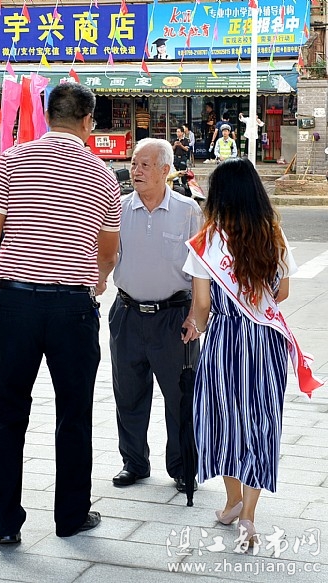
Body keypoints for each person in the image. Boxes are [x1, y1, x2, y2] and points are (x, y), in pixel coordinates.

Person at [0, 82, 122, 543]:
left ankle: (5, 525)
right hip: (72, 309)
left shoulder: (11, 161)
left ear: (47, 116)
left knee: (8, 412)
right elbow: (108, 251)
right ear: (88, 121)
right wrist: (96, 279)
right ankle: (70, 517)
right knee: (74, 414)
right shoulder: (103, 174)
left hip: (15, 305)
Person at [182, 158, 321, 551]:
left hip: (225, 341)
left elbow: (202, 305)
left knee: (223, 421)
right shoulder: (273, 234)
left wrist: (197, 326)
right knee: (261, 423)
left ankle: (231, 503)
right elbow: (283, 293)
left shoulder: (207, 241)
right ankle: (248, 515)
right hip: (266, 343)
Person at [109, 138, 202, 492]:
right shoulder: (118, 208)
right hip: (127, 313)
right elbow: (105, 254)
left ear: (165, 170)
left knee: (180, 397)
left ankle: (182, 467)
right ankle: (134, 462)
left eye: (145, 165)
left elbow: (200, 270)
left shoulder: (188, 210)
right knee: (128, 394)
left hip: (174, 317)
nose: (136, 171)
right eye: (134, 164)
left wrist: (197, 315)